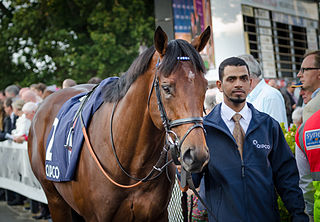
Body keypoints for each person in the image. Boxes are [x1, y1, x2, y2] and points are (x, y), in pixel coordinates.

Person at [189, 57, 307, 221]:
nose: (238, 84)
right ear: (219, 86)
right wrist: (186, 160)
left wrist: (298, 214)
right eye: (231, 79)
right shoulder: (205, 130)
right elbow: (192, 179)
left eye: (243, 78)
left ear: (250, 83)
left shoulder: (268, 126)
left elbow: (286, 176)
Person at [295, 50, 320, 220]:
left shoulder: (310, 118)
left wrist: (309, 214)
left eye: (305, 70)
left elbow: (306, 182)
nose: (299, 74)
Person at [238, 54, 288, 129]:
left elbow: (275, 133)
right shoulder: (249, 97)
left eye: (238, 78)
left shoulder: (270, 96)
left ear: (248, 78)